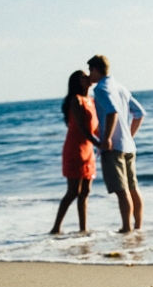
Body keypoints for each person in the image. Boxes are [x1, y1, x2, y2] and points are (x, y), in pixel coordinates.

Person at [87, 54, 146, 233]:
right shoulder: (119, 86)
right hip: (128, 145)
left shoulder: (101, 89)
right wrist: (129, 135)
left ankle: (126, 228)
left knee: (122, 190)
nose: (90, 75)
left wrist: (106, 140)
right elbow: (139, 113)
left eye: (90, 71)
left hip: (114, 148)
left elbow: (112, 112)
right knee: (133, 188)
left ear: (96, 70)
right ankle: (138, 227)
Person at [50, 70, 101, 234]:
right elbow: (83, 129)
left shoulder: (91, 101)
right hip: (75, 149)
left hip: (88, 150)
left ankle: (83, 228)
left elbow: (96, 127)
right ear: (76, 82)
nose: (87, 78)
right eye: (83, 77)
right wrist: (100, 144)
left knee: (86, 191)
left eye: (87, 75)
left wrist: (107, 140)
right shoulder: (76, 100)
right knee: (73, 191)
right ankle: (56, 227)